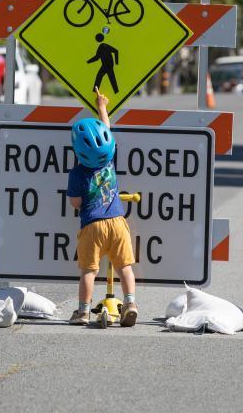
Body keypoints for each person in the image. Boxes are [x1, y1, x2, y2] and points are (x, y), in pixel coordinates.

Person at [67, 88, 137, 327]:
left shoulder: (77, 173)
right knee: (124, 267)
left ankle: (83, 311)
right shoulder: (109, 160)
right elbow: (106, 131)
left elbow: (75, 202)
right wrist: (102, 108)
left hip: (92, 226)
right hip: (117, 222)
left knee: (89, 271)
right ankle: (130, 303)